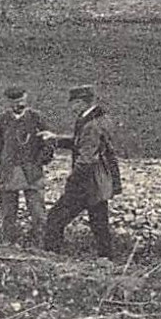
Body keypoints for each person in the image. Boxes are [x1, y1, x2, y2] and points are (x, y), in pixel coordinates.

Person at [41, 84, 121, 259]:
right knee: (99, 222)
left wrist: (72, 181)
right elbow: (82, 143)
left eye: (73, 103)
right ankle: (106, 259)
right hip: (99, 181)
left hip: (86, 181)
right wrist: (56, 138)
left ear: (80, 102)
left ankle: (50, 257)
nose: (71, 107)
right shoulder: (99, 118)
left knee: (56, 217)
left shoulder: (90, 125)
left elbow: (86, 158)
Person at [0, 86, 50, 244]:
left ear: (26, 99)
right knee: (8, 212)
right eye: (14, 101)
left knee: (37, 211)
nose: (19, 104)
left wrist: (41, 160)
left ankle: (41, 243)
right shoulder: (2, 120)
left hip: (32, 172)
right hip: (8, 172)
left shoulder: (36, 118)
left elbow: (49, 142)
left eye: (22, 100)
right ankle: (8, 243)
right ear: (8, 102)